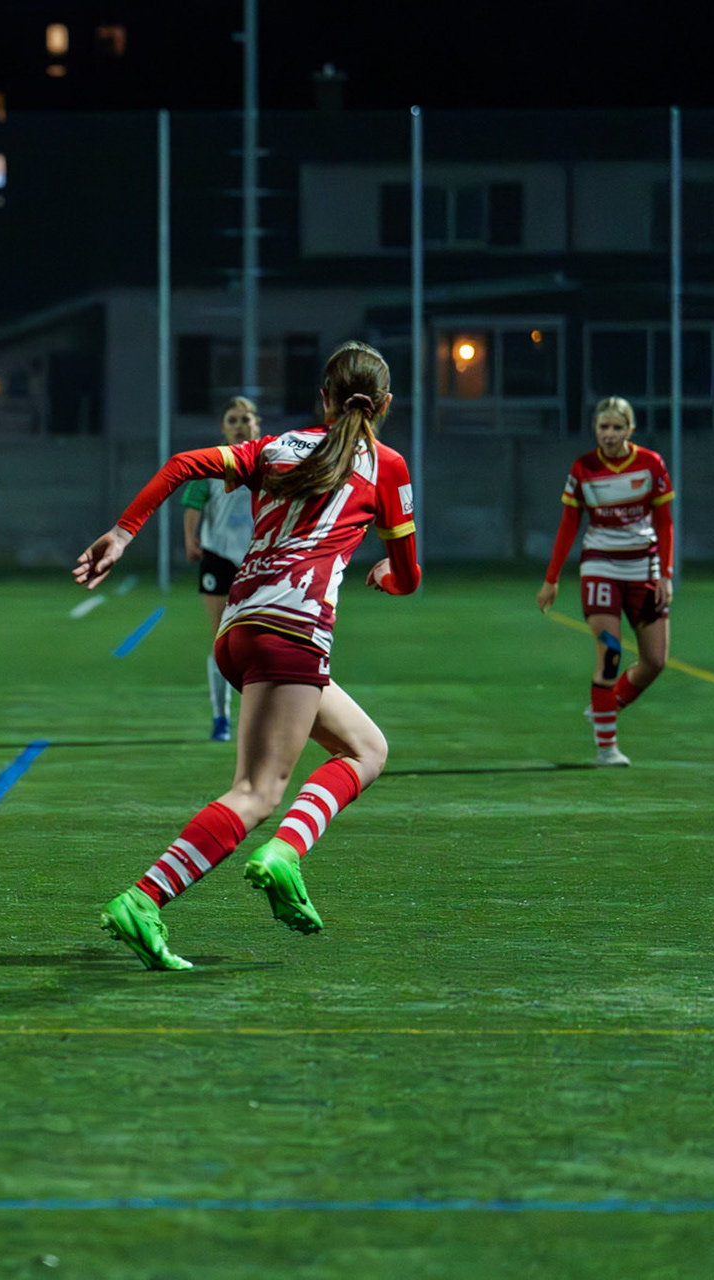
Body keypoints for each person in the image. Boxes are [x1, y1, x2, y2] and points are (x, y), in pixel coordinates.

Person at [73, 341, 420, 970]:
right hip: (292, 630)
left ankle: (285, 855)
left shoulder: (276, 447)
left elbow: (182, 464)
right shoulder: (388, 465)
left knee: (367, 748)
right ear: (387, 404)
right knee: (258, 792)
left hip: (238, 626)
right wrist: (388, 581)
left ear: (323, 398)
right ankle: (148, 898)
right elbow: (408, 573)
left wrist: (123, 532)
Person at [536, 396, 673, 767]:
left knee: (656, 660)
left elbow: (664, 522)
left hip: (644, 568)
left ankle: (605, 707)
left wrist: (665, 574)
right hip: (601, 568)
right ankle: (606, 748)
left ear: (630, 430)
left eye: (616, 427)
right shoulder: (583, 467)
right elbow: (569, 524)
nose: (609, 434)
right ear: (595, 430)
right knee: (610, 655)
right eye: (603, 427)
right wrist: (552, 579)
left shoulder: (650, 465)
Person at [180, 396, 262, 741]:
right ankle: (221, 717)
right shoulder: (211, 463)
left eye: (245, 419)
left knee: (259, 642)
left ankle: (257, 718)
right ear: (223, 427)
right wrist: (191, 538)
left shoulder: (268, 461)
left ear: (256, 424)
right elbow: (194, 504)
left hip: (257, 559)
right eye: (232, 419)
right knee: (221, 640)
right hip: (217, 556)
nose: (239, 425)